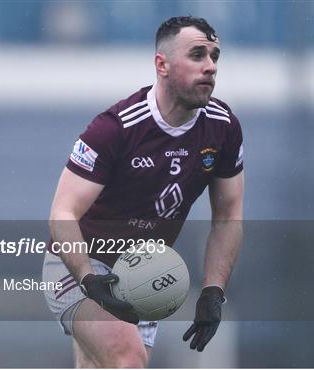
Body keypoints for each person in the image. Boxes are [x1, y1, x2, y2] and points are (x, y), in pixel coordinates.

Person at [42, 16, 244, 368]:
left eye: (215, 56)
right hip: (78, 267)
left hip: (144, 274)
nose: (210, 66)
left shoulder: (223, 128)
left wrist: (213, 291)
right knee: (128, 358)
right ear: (161, 65)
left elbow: (227, 218)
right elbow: (62, 214)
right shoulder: (115, 128)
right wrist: (90, 280)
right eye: (197, 55)